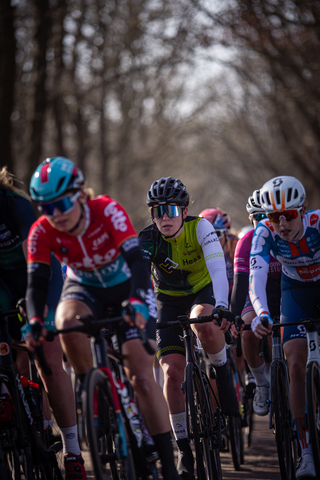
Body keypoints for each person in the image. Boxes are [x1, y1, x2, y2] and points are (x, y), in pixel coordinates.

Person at [24, 157, 180, 480]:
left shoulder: (106, 210)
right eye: (46, 208)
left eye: (62, 203)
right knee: (64, 323)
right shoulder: (42, 231)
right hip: (84, 288)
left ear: (80, 195)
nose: (56, 215)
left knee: (141, 377)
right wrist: (37, 320)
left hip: (128, 286)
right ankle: (92, 385)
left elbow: (137, 260)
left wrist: (137, 300)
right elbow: (36, 283)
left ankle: (168, 462)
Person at [139, 177, 238, 480]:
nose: (164, 217)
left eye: (170, 209)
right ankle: (183, 446)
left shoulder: (201, 228)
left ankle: (221, 370)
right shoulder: (148, 239)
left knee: (205, 326)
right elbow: (139, 284)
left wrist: (222, 304)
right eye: (157, 211)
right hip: (166, 301)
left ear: (183, 210)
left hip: (201, 292)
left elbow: (218, 268)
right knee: (171, 372)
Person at [0, 166, 85, 479]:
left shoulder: (13, 204)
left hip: (36, 274)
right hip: (3, 286)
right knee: (15, 361)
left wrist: (36, 318)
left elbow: (35, 267)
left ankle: (72, 449)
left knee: (47, 357)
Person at [249, 175, 318, 479]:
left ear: (302, 210)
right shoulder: (264, 233)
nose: (283, 224)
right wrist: (262, 313)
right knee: (295, 367)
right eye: (275, 217)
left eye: (289, 215)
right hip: (295, 293)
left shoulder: (318, 223)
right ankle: (305, 452)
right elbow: (257, 277)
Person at [230, 189, 281, 415]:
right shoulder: (246, 241)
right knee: (248, 329)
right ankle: (261, 383)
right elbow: (241, 285)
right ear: (250, 219)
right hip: (256, 294)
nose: (263, 223)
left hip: (285, 292)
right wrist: (233, 317)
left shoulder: (284, 235)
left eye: (267, 217)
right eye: (257, 218)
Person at [199, 208, 238, 300]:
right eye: (204, 234)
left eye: (216, 234)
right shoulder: (196, 250)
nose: (210, 239)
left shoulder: (236, 246)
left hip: (235, 294)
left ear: (226, 234)